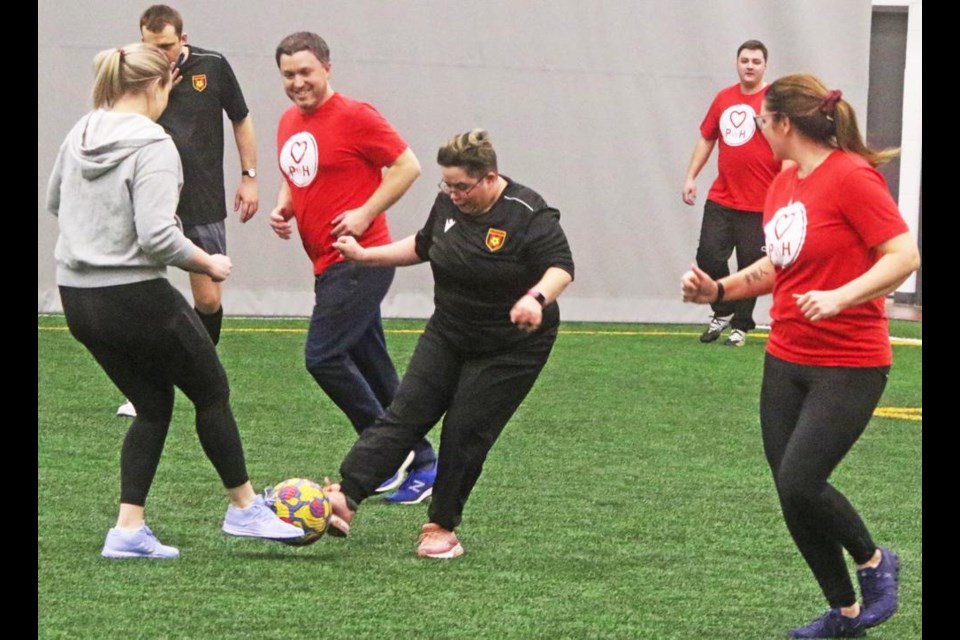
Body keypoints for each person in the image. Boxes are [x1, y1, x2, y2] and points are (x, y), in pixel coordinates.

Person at [681, 74, 919, 637]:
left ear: (784, 124)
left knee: (800, 481)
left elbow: (904, 255)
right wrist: (718, 291)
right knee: (790, 488)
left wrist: (840, 296)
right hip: (787, 356)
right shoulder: (784, 180)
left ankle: (875, 562)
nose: (758, 129)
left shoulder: (852, 177)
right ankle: (846, 611)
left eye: (763, 120)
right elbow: (775, 267)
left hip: (851, 361)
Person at [46, 43, 304, 558]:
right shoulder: (154, 144)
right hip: (134, 296)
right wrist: (208, 262)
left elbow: (55, 201)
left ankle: (127, 531)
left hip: (77, 298)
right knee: (210, 390)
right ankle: (245, 509)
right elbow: (159, 237)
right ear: (157, 86)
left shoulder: (81, 131)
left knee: (153, 404)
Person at [322, 129, 575, 559]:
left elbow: (561, 268)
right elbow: (423, 245)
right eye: (447, 185)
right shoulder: (448, 204)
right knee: (406, 412)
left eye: (462, 186)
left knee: (464, 430)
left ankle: (441, 526)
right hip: (450, 330)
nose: (453, 194)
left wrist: (535, 299)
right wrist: (366, 255)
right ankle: (347, 497)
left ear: (490, 177)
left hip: (511, 345)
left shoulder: (527, 212)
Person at [270, 32, 436, 503]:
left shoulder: (357, 116)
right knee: (374, 365)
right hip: (325, 262)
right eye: (288, 75)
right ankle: (424, 461)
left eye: (306, 72)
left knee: (322, 357)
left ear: (326, 67)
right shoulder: (288, 121)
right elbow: (295, 173)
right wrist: (285, 207)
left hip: (360, 260)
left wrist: (364, 213)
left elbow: (408, 166)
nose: (298, 82)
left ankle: (382, 450)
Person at [112, 5, 259, 419]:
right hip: (146, 197)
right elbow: (122, 128)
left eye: (165, 46)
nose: (158, 54)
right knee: (135, 295)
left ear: (183, 39)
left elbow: (241, 118)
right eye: (149, 46)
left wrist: (249, 176)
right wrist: (155, 94)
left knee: (208, 299)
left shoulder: (212, 66)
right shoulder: (133, 74)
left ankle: (200, 377)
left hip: (201, 199)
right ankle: (145, 391)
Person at [681, 40, 781, 347]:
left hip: (761, 203)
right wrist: (691, 177)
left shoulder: (774, 102)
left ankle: (741, 325)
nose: (750, 65)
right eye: (745, 60)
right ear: (737, 63)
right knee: (708, 255)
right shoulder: (724, 98)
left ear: (765, 66)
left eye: (756, 61)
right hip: (723, 198)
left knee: (751, 267)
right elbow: (706, 139)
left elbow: (788, 145)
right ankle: (722, 310)